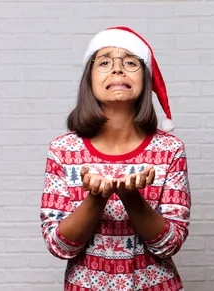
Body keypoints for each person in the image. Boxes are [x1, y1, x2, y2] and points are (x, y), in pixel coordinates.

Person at [39, 26, 191, 291]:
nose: (118, 69)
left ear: (145, 78)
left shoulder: (170, 149)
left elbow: (169, 244)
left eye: (130, 62)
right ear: (89, 80)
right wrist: (96, 198)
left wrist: (132, 197)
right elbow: (59, 246)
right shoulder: (62, 150)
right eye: (105, 62)